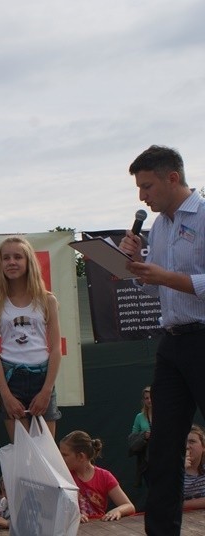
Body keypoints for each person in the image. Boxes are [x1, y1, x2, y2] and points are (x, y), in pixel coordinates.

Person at [118, 145, 205, 535]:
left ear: (173, 178)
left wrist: (164, 276)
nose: (142, 197)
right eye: (139, 188)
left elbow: (181, 282)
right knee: (164, 447)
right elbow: (162, 290)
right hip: (171, 343)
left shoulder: (203, 217)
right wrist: (138, 269)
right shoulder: (160, 227)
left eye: (147, 186)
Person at [0, 236, 62, 442]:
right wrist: (6, 395)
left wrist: (46, 390)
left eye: (18, 257)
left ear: (28, 261)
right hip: (11, 378)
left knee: (47, 452)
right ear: (0, 263)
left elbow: (55, 348)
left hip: (42, 375)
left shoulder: (47, 300)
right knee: (22, 451)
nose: (11, 262)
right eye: (6, 257)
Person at [59, 430, 135, 523]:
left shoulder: (105, 476)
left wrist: (118, 510)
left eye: (64, 455)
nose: (60, 458)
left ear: (81, 457)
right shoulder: (62, 476)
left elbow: (129, 506)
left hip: (98, 528)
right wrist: (72, 515)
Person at [127, 386, 152, 487]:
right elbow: (133, 437)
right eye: (146, 398)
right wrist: (144, 435)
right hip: (147, 459)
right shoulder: (139, 417)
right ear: (143, 400)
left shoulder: (164, 414)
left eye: (152, 397)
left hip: (163, 456)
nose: (149, 400)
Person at [184, 424, 205, 509]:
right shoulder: (172, 470)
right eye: (183, 442)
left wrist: (182, 505)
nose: (187, 446)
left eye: (192, 441)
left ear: (203, 446)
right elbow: (166, 503)